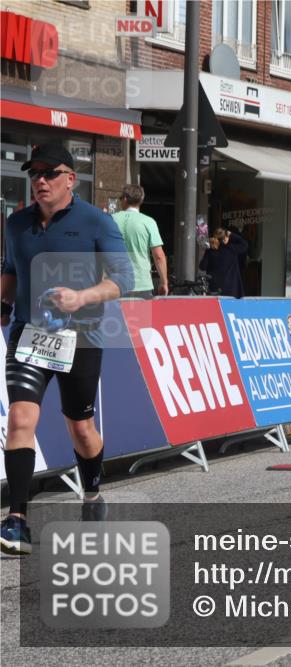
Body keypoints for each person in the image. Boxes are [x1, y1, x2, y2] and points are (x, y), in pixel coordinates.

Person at [1, 144, 135, 556]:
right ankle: (17, 519)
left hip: (81, 337)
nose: (40, 180)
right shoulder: (16, 223)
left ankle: (92, 495)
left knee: (80, 428)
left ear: (70, 179)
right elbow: (10, 271)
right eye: (34, 173)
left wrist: (82, 296)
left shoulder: (97, 222)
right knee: (21, 417)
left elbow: (124, 279)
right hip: (29, 333)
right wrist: (4, 305)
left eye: (49, 173)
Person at [111, 184, 168, 298]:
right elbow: (158, 256)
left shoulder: (111, 219)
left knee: (116, 316)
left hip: (115, 284)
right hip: (142, 284)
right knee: (142, 316)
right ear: (140, 200)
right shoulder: (148, 222)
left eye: (121, 198)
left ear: (125, 199)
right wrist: (164, 282)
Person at [200, 227, 249, 298]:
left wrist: (205, 253)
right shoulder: (231, 249)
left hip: (215, 289)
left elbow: (202, 267)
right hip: (231, 289)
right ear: (224, 239)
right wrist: (232, 235)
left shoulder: (210, 251)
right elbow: (245, 244)